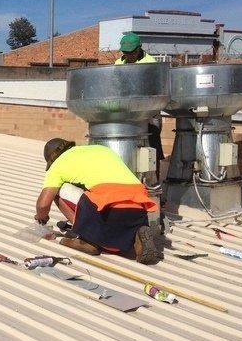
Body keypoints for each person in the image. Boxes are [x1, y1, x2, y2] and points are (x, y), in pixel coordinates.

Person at [35, 138, 163, 264]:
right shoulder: (101, 150)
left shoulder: (57, 165)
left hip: (107, 212)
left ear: (52, 159)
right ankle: (137, 236)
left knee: (58, 191)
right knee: (105, 197)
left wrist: (42, 217)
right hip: (138, 210)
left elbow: (43, 205)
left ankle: (87, 238)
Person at [115, 32, 164, 165]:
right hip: (128, 110)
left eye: (131, 52)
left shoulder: (150, 63)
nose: (129, 55)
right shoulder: (119, 63)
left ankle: (153, 180)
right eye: (125, 52)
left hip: (149, 111)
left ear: (139, 48)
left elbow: (155, 88)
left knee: (152, 146)